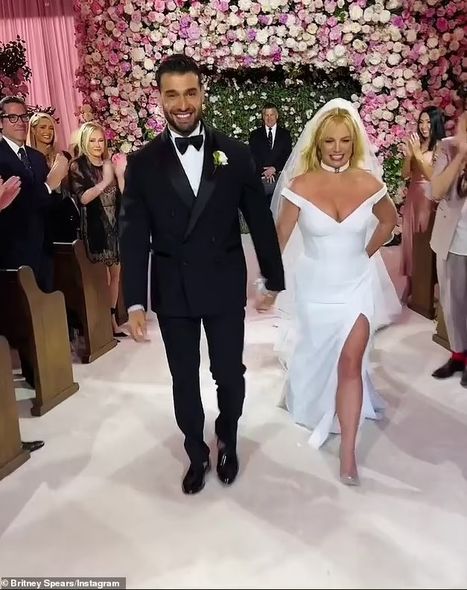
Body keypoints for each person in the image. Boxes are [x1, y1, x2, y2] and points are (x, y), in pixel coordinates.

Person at [119, 55, 284, 495]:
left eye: (190, 92)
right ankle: (196, 450)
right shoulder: (143, 162)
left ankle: (227, 436)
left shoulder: (236, 153)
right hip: (173, 288)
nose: (182, 104)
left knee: (229, 373)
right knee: (184, 378)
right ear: (159, 98)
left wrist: (273, 278)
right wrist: (134, 301)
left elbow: (260, 219)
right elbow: (132, 235)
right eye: (172, 94)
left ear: (202, 94)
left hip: (223, 281)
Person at [260, 98, 398, 485]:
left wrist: (365, 254)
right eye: (329, 141)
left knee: (351, 362)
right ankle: (312, 400)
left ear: (354, 143)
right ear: (318, 144)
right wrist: (267, 283)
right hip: (314, 291)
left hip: (356, 288)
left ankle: (348, 452)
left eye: (344, 141)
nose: (337, 149)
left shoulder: (369, 183)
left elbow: (389, 220)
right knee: (318, 356)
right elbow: (279, 238)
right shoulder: (301, 185)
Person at [68, 122, 126, 337]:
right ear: (84, 142)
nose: (97, 144)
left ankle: (112, 319)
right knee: (102, 278)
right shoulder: (78, 166)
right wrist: (105, 182)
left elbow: (123, 196)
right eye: (92, 140)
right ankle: (101, 324)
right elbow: (83, 198)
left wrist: (120, 176)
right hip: (95, 227)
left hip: (116, 224)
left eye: (101, 140)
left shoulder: (109, 163)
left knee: (116, 275)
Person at [430, 87, 467, 386]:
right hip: (452, 239)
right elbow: (436, 190)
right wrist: (462, 154)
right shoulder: (446, 148)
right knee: (452, 303)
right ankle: (458, 355)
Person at [400, 107, 445, 300]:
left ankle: (427, 287)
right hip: (413, 197)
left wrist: (418, 155)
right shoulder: (416, 143)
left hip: (428, 199)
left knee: (425, 242)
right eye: (421, 122)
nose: (424, 126)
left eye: (428, 122)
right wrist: (410, 155)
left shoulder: (441, 146)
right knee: (410, 240)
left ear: (435, 123)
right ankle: (410, 284)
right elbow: (405, 174)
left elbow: (434, 177)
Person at [248, 103, 293, 202]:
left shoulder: (285, 135)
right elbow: (252, 156)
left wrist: (274, 169)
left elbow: (287, 155)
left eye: (271, 115)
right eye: (266, 115)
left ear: (276, 116)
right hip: (261, 178)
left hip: (279, 178)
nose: (269, 118)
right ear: (263, 117)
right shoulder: (255, 135)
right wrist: (264, 172)